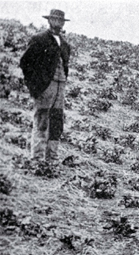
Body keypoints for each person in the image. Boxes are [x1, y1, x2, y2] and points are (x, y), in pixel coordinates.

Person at [19, 9, 72, 161]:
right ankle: (37, 158)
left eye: (61, 21)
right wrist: (34, 86)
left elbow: (65, 67)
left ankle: (51, 158)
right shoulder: (39, 39)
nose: (58, 23)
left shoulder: (65, 44)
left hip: (60, 87)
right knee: (42, 120)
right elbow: (25, 62)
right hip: (45, 87)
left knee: (56, 122)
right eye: (55, 20)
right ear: (49, 21)